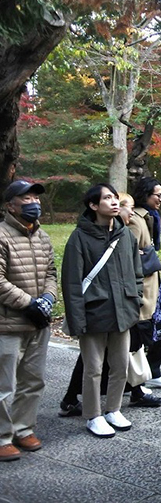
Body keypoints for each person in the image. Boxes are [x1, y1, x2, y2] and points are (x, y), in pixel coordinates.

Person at [58, 193, 161, 416]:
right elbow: (72, 282)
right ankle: (93, 415)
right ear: (94, 205)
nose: (114, 202)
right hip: (94, 312)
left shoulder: (124, 235)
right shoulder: (79, 238)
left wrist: (134, 301)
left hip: (123, 312)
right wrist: (77, 320)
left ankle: (113, 411)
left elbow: (136, 272)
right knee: (93, 369)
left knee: (120, 366)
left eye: (116, 198)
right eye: (107, 198)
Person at [0, 180, 57, 461]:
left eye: (35, 197)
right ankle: (1, 437)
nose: (33, 202)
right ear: (10, 204)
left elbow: (51, 272)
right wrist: (28, 303)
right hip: (8, 322)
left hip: (39, 321)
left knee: (33, 380)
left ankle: (23, 429)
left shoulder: (42, 236)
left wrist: (47, 299)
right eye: (26, 198)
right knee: (4, 384)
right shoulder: (1, 235)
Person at [133, 177, 161, 389]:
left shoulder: (150, 217)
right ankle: (138, 381)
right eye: (157, 195)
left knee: (159, 328)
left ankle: (152, 371)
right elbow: (128, 256)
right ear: (145, 195)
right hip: (141, 287)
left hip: (152, 284)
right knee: (142, 333)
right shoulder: (135, 219)